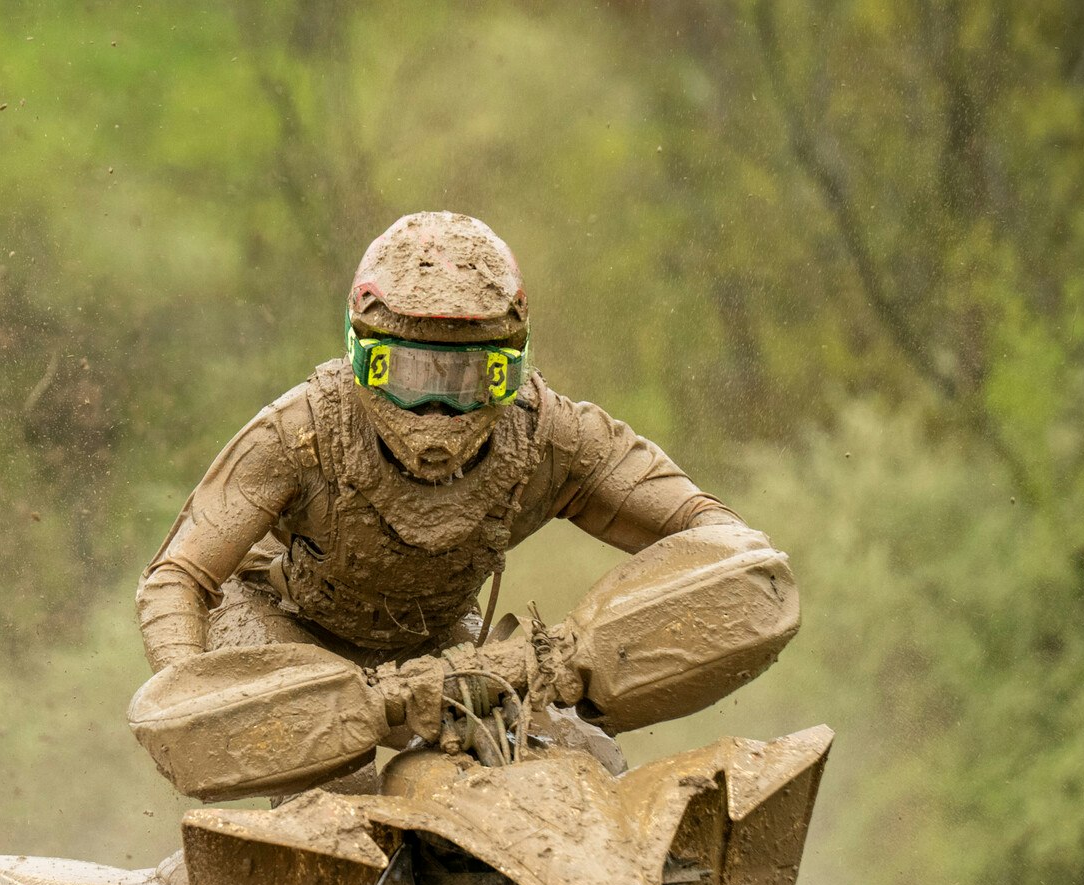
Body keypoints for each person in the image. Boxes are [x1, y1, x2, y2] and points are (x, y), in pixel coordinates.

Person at [133, 210, 784, 779]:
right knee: (333, 785)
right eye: (411, 373)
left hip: (435, 639)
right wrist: (194, 698)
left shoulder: (551, 437)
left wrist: (581, 656)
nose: (439, 406)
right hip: (283, 624)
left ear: (511, 368)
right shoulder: (299, 434)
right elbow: (177, 580)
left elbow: (719, 540)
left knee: (570, 758)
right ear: (365, 358)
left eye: (471, 376)